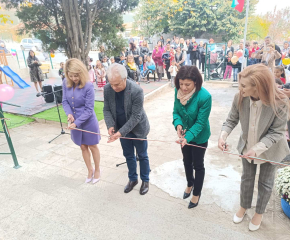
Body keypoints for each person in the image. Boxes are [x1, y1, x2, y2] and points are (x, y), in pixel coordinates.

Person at [218, 64, 289, 231]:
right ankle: (244, 206)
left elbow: (277, 132)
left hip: (270, 149)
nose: (239, 88)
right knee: (246, 179)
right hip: (247, 146)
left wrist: (257, 149)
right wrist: (223, 135)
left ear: (258, 87)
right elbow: (231, 120)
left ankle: (259, 212)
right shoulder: (240, 97)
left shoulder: (280, 102)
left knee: (265, 182)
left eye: (243, 85)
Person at [103, 63, 150, 195]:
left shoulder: (136, 90)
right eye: (111, 84)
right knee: (128, 155)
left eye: (117, 84)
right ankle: (132, 179)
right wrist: (111, 125)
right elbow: (106, 109)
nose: (114, 87)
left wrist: (119, 133)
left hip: (138, 129)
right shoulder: (108, 89)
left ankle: (145, 180)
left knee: (142, 155)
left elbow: (136, 117)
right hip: (120, 129)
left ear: (125, 79)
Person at [173, 65, 212, 209]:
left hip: (199, 136)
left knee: (198, 165)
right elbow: (176, 112)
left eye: (187, 84)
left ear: (196, 82)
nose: (183, 88)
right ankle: (190, 183)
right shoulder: (178, 92)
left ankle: (197, 193)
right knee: (186, 160)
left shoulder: (205, 96)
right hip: (184, 136)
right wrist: (178, 124)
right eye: (181, 84)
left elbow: (201, 122)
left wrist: (187, 137)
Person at [63, 58, 101, 184]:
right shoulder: (65, 82)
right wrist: (69, 114)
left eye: (76, 75)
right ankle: (90, 170)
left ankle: (97, 170)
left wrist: (76, 123)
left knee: (92, 146)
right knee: (83, 146)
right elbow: (65, 101)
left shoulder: (88, 85)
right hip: (74, 121)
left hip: (88, 121)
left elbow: (89, 109)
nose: (74, 78)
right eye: (71, 75)